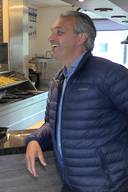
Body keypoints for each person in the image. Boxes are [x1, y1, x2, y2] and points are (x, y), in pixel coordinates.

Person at [25, 11, 128, 192]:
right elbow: (51, 124)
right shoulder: (59, 79)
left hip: (108, 186)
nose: (50, 38)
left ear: (81, 38)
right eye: (52, 32)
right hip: (70, 184)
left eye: (59, 32)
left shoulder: (110, 74)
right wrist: (35, 140)